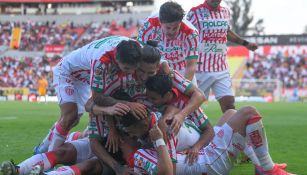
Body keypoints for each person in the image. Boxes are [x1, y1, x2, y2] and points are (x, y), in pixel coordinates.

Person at [87, 41, 206, 153]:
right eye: (141, 71)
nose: (144, 77)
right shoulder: (123, 78)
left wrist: (180, 115)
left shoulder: (166, 74)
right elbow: (93, 102)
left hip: (161, 126)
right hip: (134, 130)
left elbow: (199, 95)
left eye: (151, 73)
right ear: (136, 65)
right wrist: (112, 129)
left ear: (157, 68)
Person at [34, 36, 143, 154]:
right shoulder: (101, 60)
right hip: (68, 71)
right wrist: (128, 104)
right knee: (70, 115)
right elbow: (97, 97)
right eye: (126, 68)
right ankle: (49, 157)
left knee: (74, 120)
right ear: (116, 59)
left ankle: (42, 148)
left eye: (134, 68)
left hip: (85, 77)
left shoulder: (137, 50)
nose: (131, 72)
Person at [124, 106, 295, 175]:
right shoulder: (141, 155)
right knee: (248, 113)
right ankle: (268, 168)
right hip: (211, 164)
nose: (131, 137)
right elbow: (167, 172)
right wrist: (160, 141)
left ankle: (260, 166)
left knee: (230, 113)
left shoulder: (146, 150)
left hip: (205, 155)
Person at [0, 95, 136, 175]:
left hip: (113, 159)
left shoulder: (134, 122)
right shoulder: (99, 109)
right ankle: (19, 170)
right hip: (97, 144)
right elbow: (93, 138)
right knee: (63, 151)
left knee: (89, 165)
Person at [186, 0, 258, 113]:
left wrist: (245, 44)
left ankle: (228, 130)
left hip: (221, 68)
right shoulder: (194, 12)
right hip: (200, 69)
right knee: (192, 108)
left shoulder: (225, 12)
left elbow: (227, 32)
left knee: (229, 106)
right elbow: (184, 33)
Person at [138, 1, 199, 84]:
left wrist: (184, 86)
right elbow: (140, 51)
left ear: (181, 22)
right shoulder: (149, 24)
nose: (171, 31)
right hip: (156, 69)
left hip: (182, 70)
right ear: (160, 21)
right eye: (168, 27)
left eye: (175, 27)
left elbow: (191, 66)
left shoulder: (191, 33)